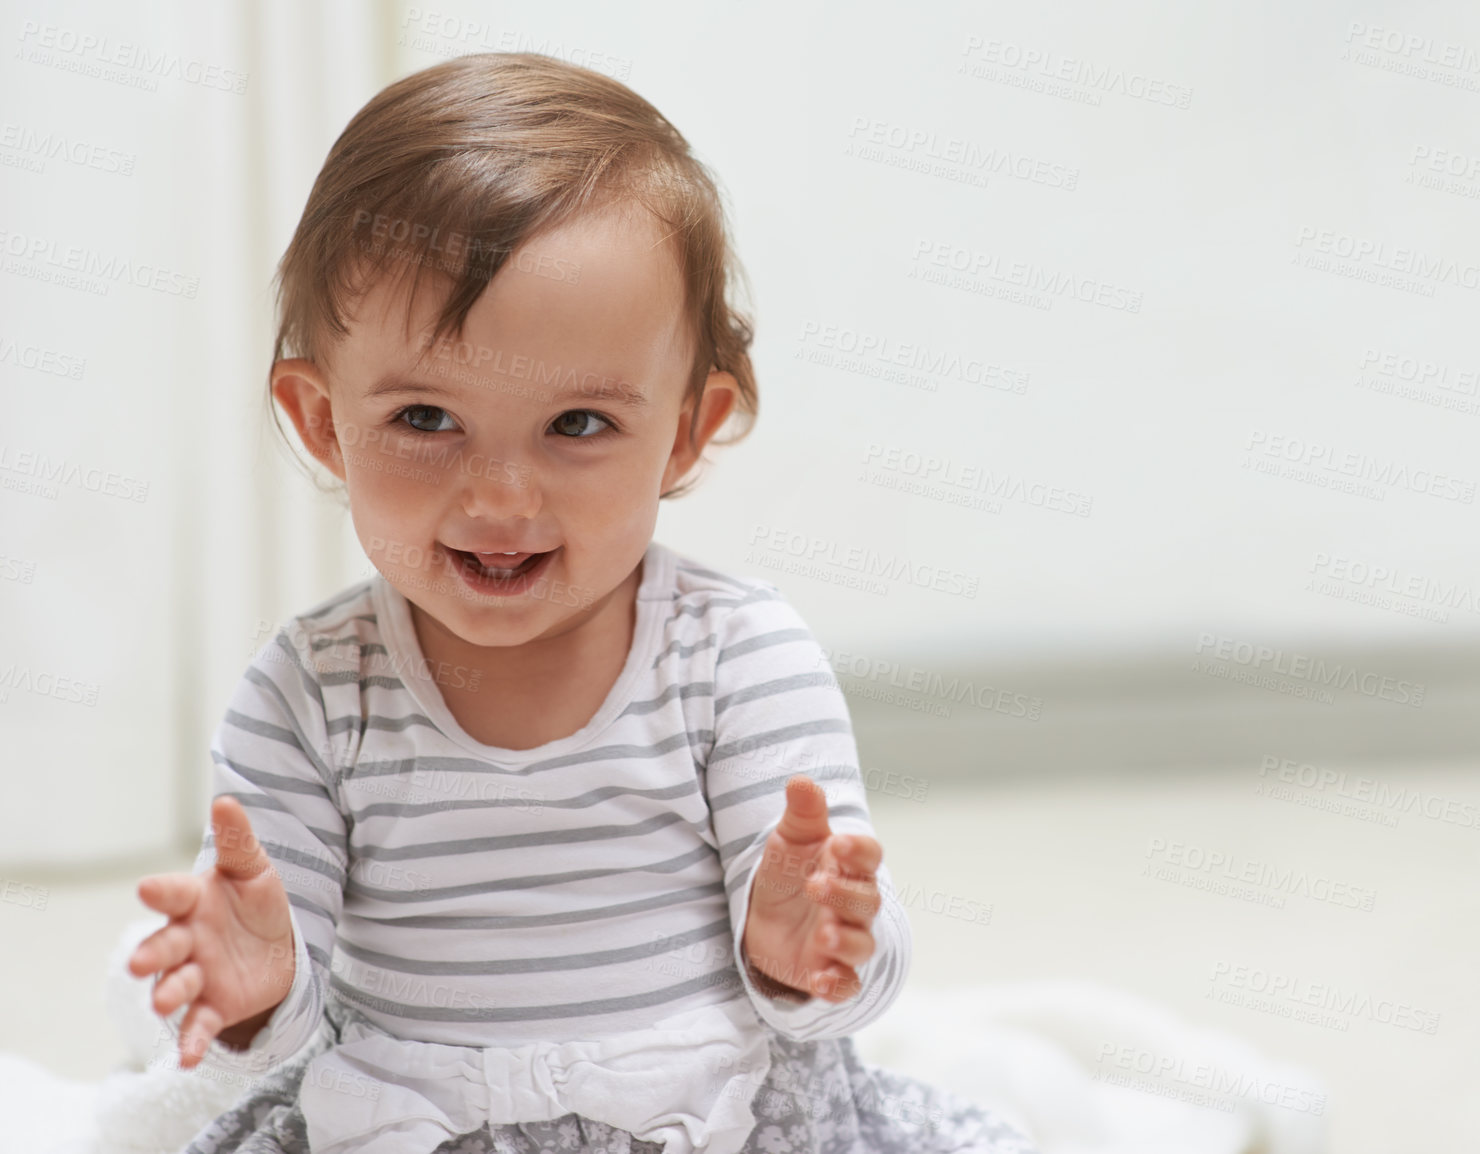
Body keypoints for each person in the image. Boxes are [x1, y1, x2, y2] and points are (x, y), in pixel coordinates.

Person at [124, 51, 1038, 1154]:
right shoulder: (309, 692)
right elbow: (277, 1012)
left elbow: (844, 978)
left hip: (709, 1113)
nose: (500, 495)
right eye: (424, 416)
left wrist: (811, 946)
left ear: (687, 432)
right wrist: (256, 982)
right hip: (417, 1125)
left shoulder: (735, 657)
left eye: (577, 425)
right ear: (322, 422)